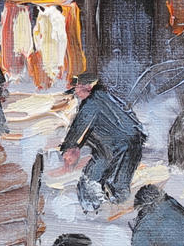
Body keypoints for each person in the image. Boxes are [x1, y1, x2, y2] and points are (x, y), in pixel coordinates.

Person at [59, 71, 146, 212]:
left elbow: (79, 126)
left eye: (78, 88)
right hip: (134, 143)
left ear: (88, 87)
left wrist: (69, 146)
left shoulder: (92, 103)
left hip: (116, 146)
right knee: (119, 184)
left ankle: (91, 206)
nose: (76, 93)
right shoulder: (107, 97)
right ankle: (114, 208)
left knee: (92, 177)